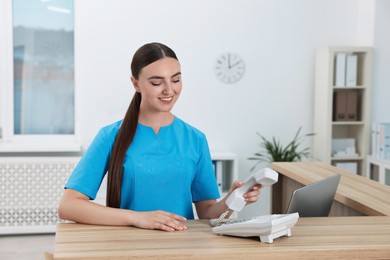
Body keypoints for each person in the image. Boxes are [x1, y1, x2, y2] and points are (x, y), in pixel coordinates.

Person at [58, 42, 262, 232]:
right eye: (157, 82)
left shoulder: (195, 139)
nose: (169, 90)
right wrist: (137, 218)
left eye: (176, 79)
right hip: (128, 245)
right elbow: (69, 205)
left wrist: (233, 199)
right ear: (136, 84)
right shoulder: (110, 136)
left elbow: (207, 212)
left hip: (182, 246)